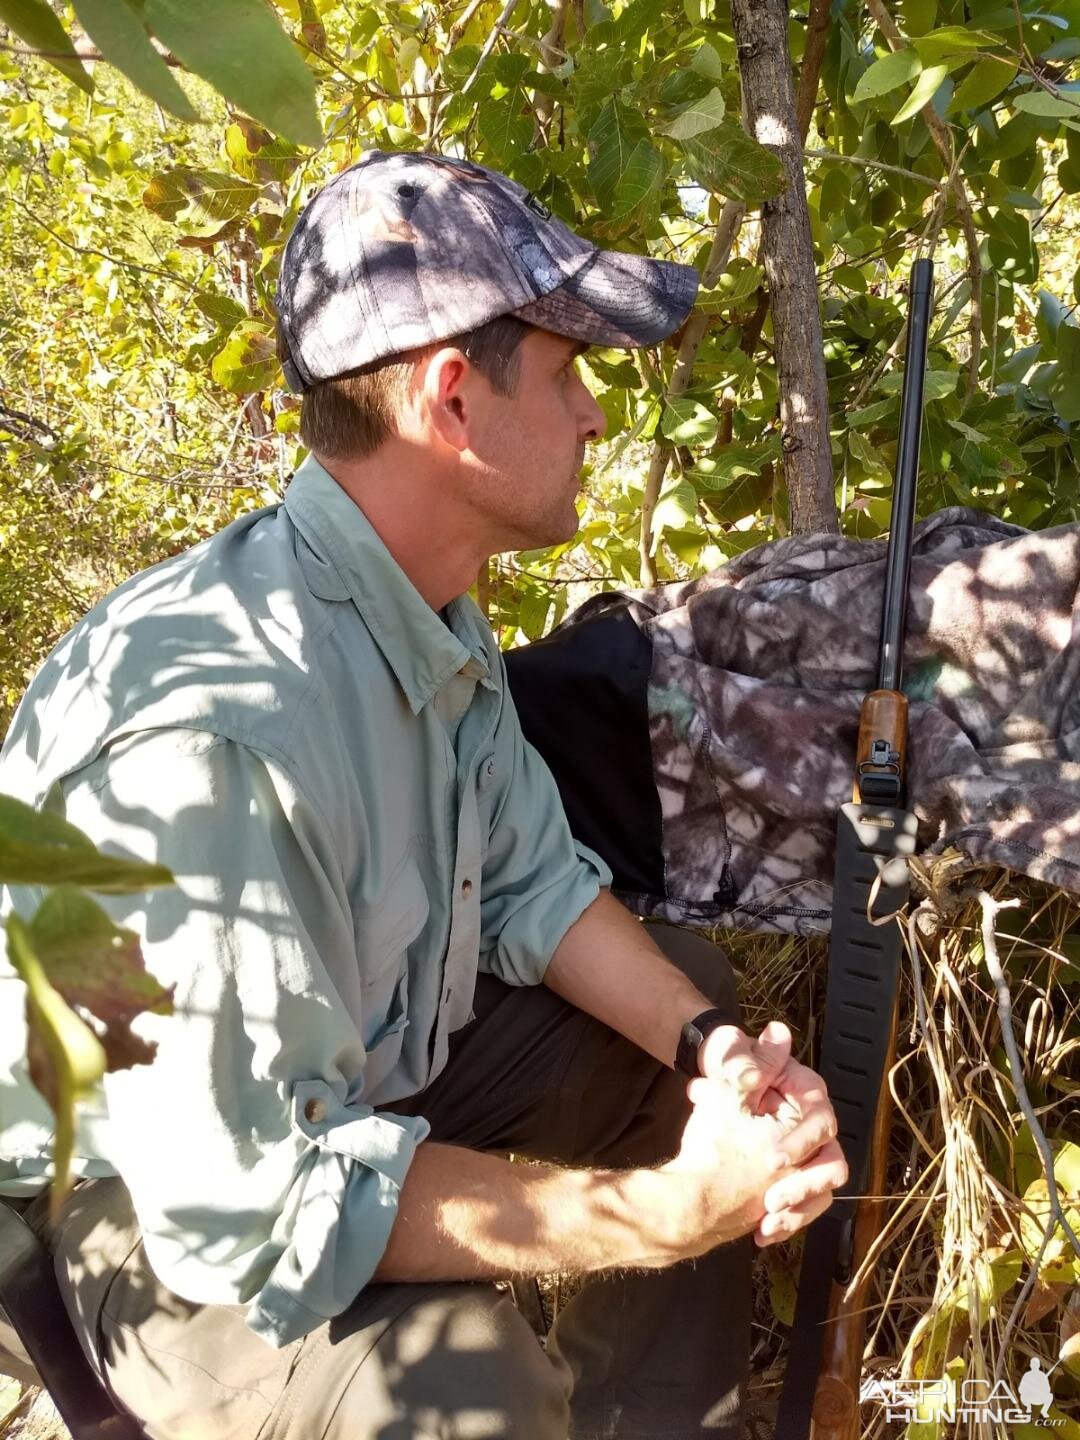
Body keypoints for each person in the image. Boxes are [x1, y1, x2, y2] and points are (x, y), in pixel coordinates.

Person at [0, 150, 846, 1439]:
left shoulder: (426, 613)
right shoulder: (215, 738)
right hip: (148, 1202)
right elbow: (255, 1199)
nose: (595, 415)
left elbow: (532, 884)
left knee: (681, 1023)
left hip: (347, 1067)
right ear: (454, 400)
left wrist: (712, 1052)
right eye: (568, 372)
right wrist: (659, 1215)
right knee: (466, 1384)